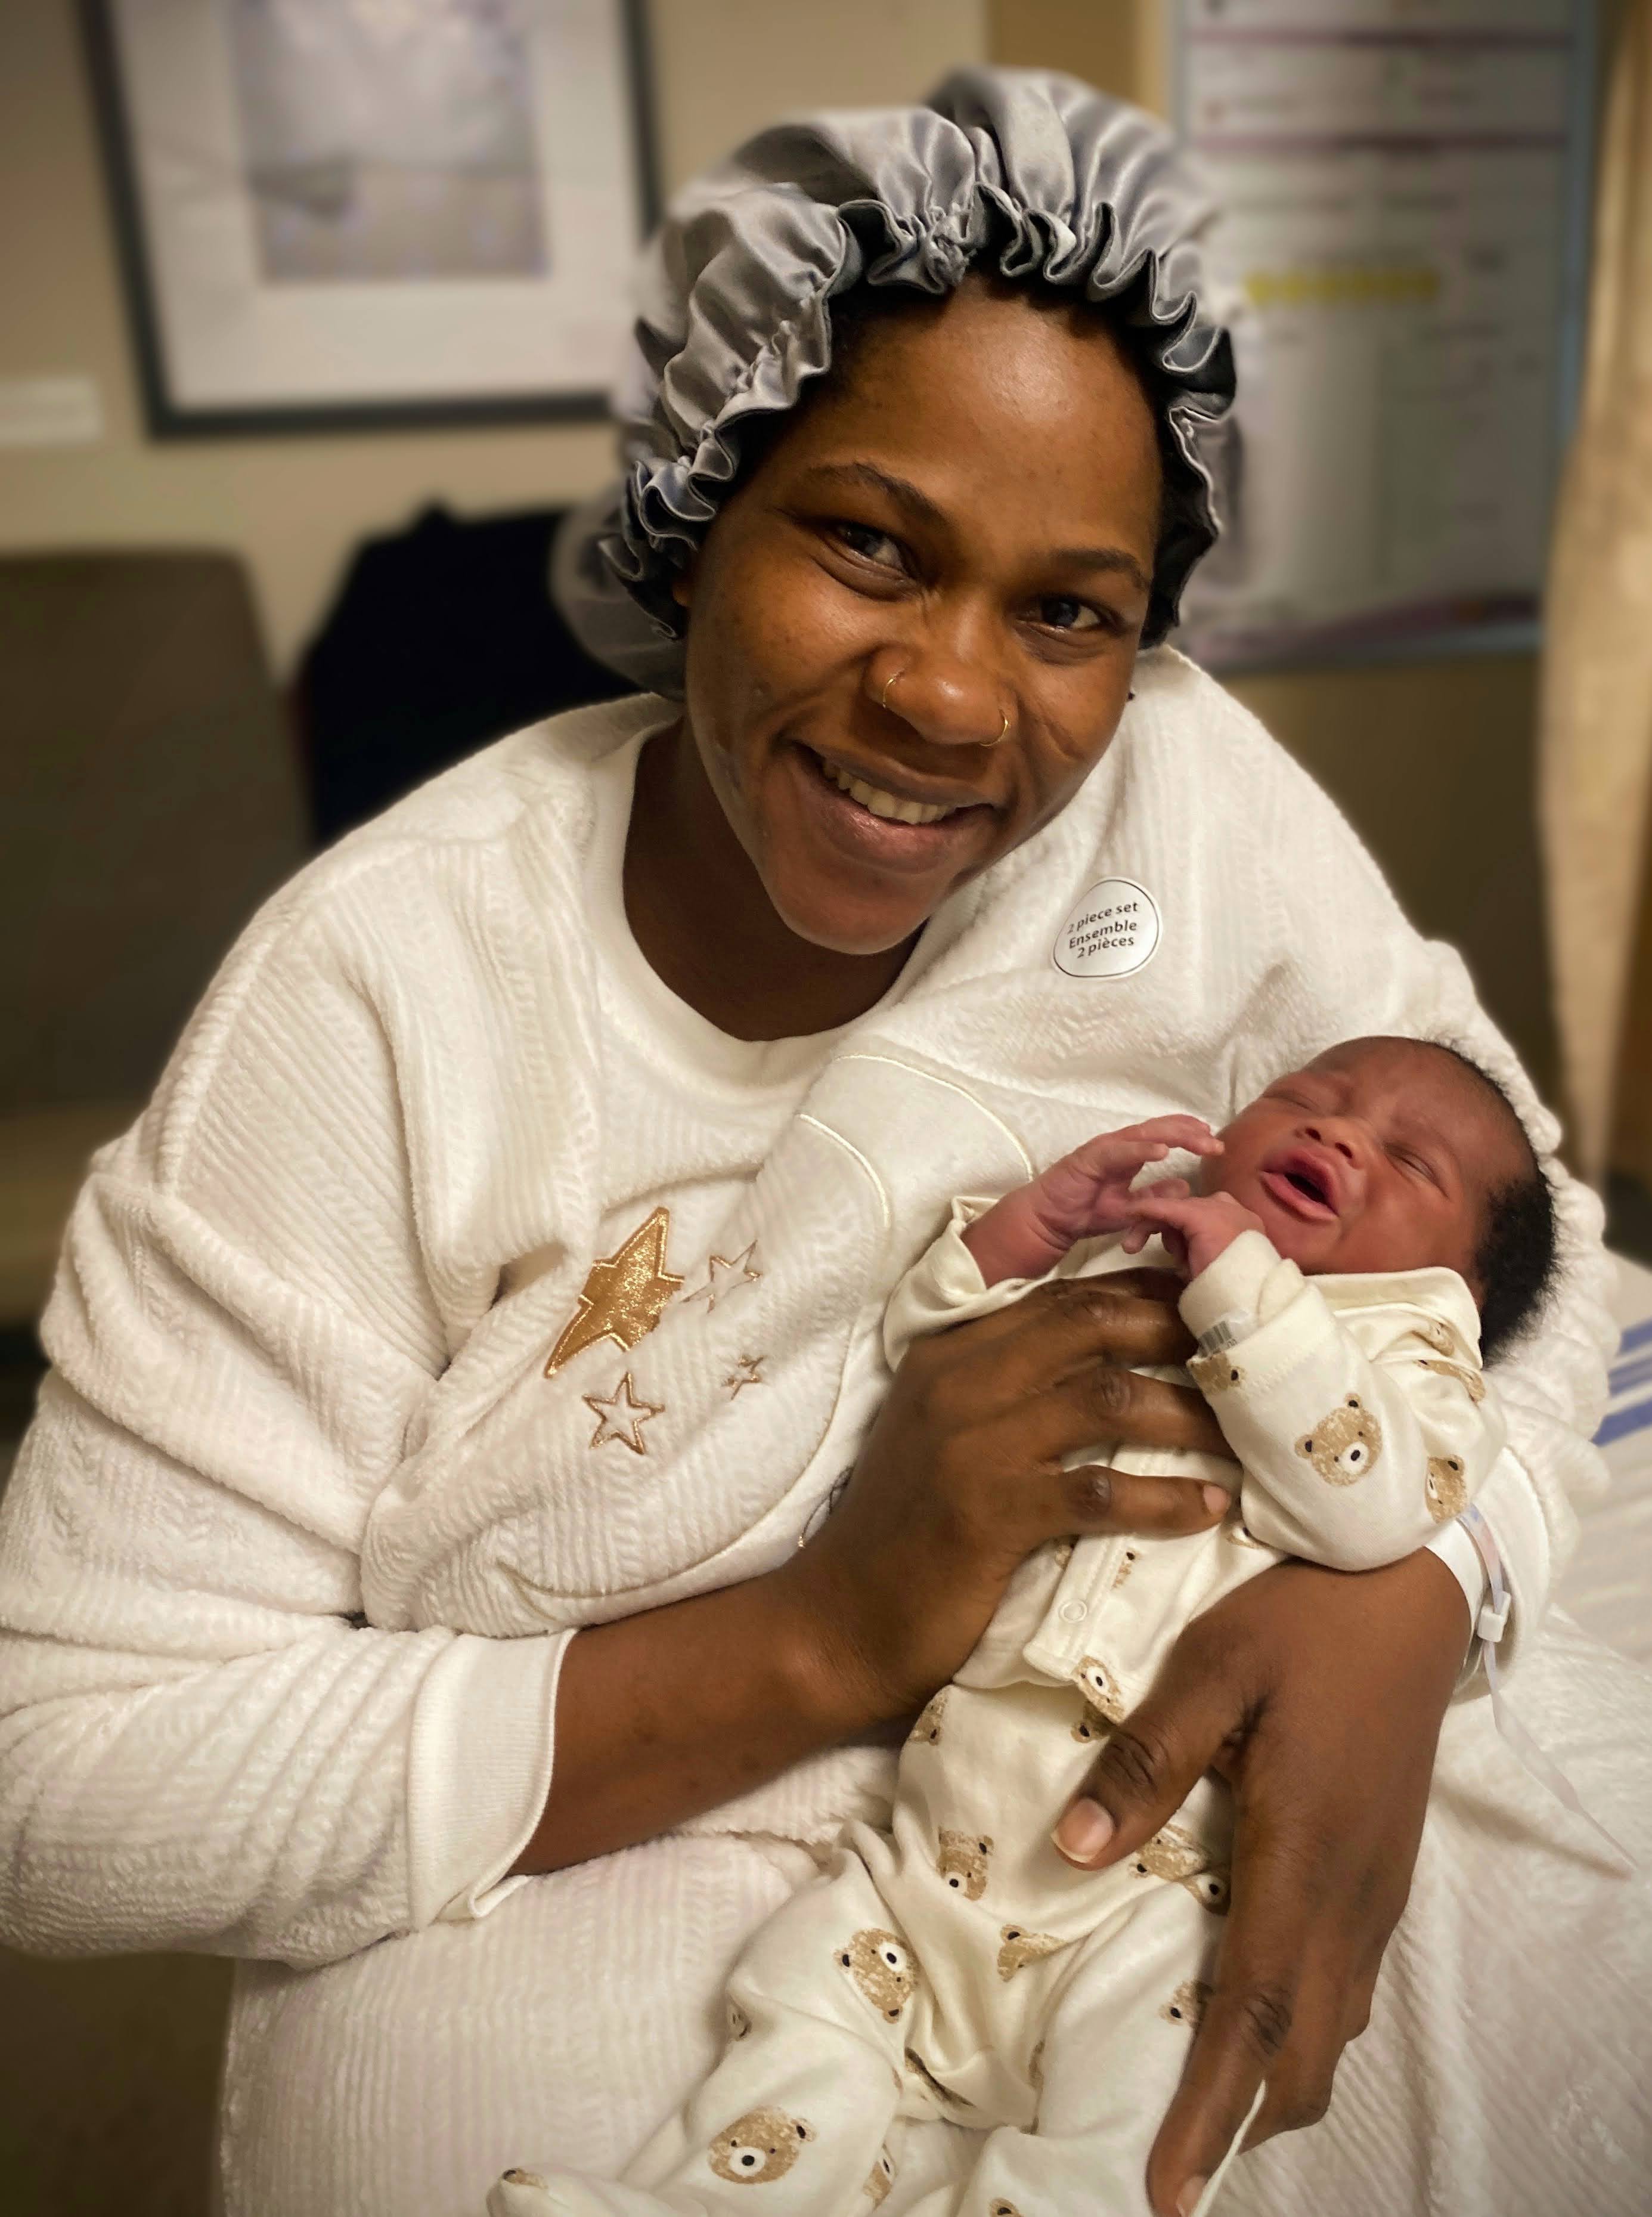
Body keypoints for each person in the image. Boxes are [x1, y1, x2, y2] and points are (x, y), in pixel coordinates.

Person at [0, 69, 1644, 2217]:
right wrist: (825, 1630)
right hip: (622, 1808)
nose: (957, 699)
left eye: (1068, 608)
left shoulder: (1183, 790)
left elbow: (1538, 1218)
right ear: (700, 511)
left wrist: (1431, 1581)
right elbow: (62, 1770)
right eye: (870, 543)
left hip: (1160, 1736)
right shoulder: (385, 990)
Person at [487, 1037, 1553, 2217]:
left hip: (1155, 1897)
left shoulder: (1413, 1359)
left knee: (1125, 2131)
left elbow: (1368, 1502)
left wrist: (1249, 1289)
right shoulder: (1145, 1249)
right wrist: (1023, 1240)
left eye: (1410, 1161)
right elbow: (938, 1360)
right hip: (943, 1831)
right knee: (803, 2010)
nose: (1339, 1134)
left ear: (1456, 1288)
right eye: (1309, 1098)